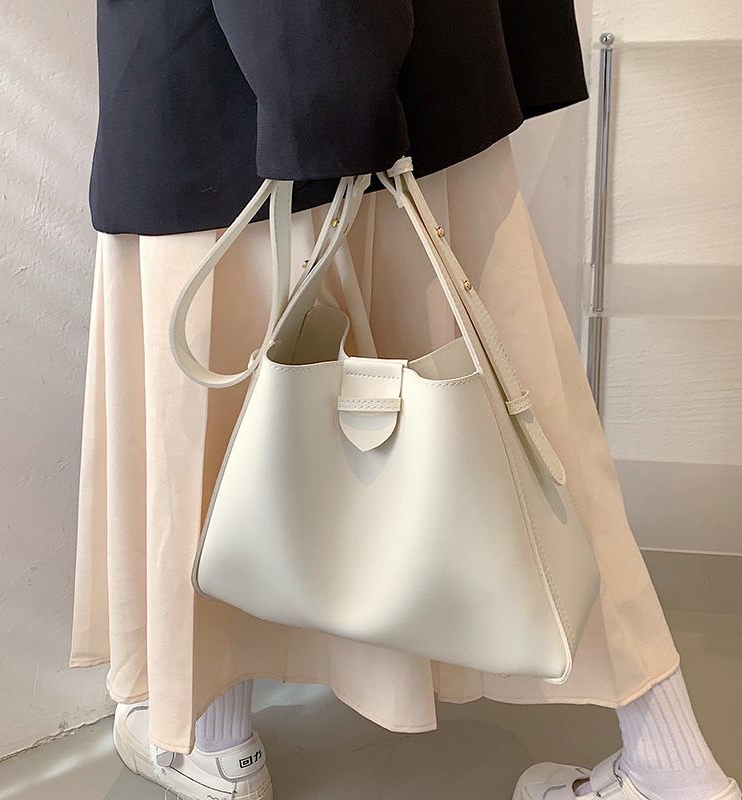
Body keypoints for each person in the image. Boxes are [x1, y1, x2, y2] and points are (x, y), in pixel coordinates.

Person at [71, 3, 739, 799]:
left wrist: (331, 89)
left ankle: (214, 742)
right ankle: (670, 760)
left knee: (214, 427)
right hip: (411, 66)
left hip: (253, 76)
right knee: (533, 446)